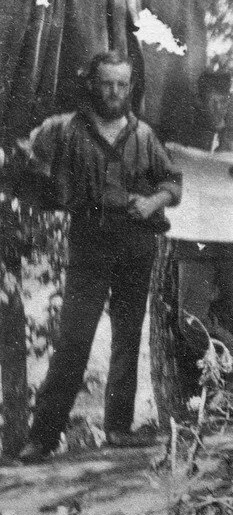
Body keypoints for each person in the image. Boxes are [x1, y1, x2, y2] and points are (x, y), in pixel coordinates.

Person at [0, 51, 182, 462]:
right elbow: (22, 155)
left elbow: (172, 182)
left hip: (137, 239)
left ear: (130, 87)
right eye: (107, 83)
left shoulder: (144, 135)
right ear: (93, 85)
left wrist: (153, 203)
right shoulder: (65, 129)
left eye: (122, 84)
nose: (115, 92)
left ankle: (118, 429)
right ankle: (42, 438)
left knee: (128, 333)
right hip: (90, 238)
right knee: (74, 339)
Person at [165, 71, 233, 377]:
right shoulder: (183, 141)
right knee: (190, 319)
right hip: (195, 241)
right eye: (212, 101)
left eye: (224, 101)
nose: (219, 108)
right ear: (198, 101)